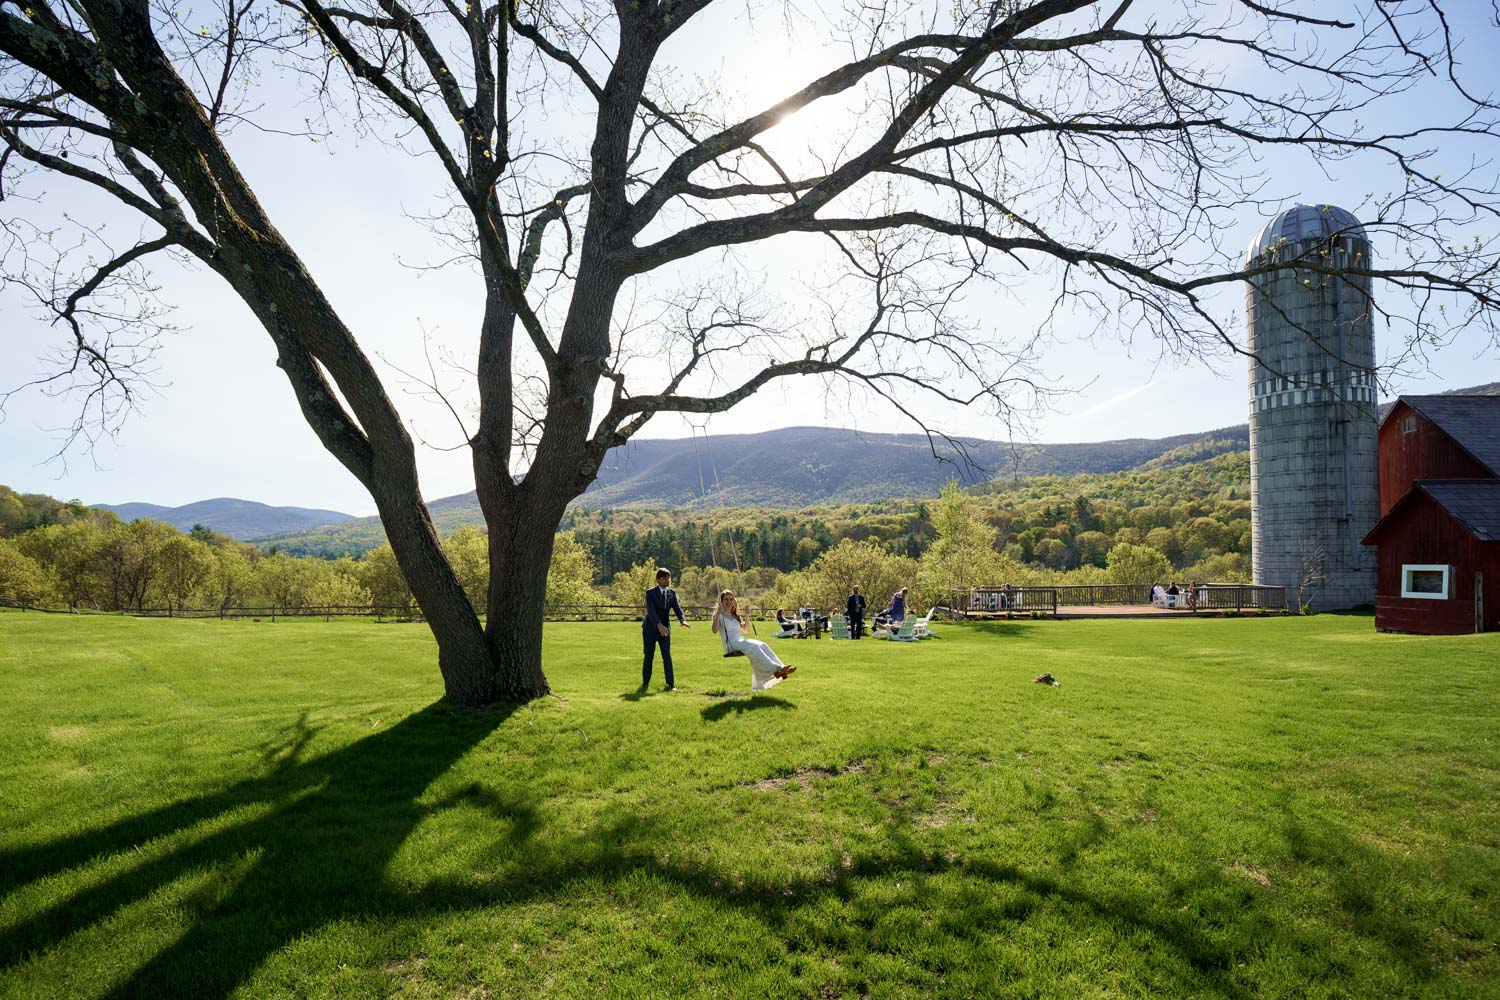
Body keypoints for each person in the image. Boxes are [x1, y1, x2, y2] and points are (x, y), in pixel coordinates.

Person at [713, 590, 795, 691]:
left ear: (734, 601)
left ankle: (781, 667)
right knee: (754, 646)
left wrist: (747, 615)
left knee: (762, 644)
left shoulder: (735, 616)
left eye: (731, 599)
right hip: (731, 644)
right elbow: (714, 630)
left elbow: (746, 630)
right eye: (726, 599)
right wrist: (717, 614)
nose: (729, 601)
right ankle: (776, 669)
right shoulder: (719, 615)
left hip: (740, 640)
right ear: (721, 601)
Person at [642, 567, 689, 691]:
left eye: (669, 578)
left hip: (665, 630)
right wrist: (659, 625)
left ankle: (671, 684)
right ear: (658, 580)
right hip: (650, 630)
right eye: (664, 578)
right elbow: (651, 612)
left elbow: (677, 608)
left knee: (667, 656)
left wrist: (682, 620)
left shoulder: (671, 593)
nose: (667, 580)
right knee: (649, 656)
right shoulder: (650, 593)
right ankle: (645, 683)